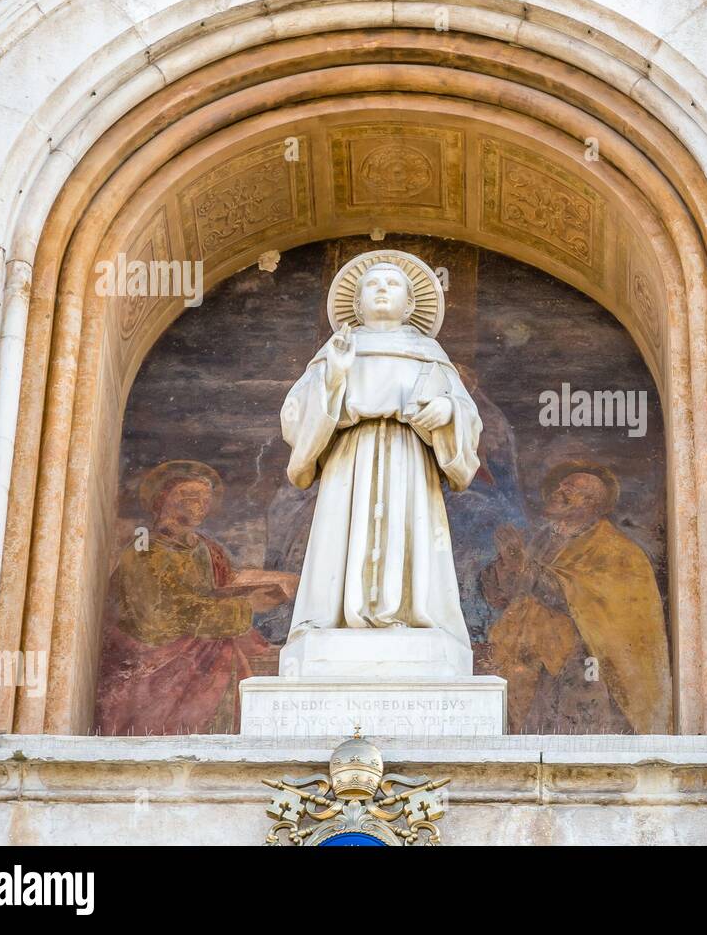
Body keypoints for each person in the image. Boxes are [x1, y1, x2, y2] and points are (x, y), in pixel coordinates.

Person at [281, 257, 482, 665]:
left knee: (408, 531)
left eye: (393, 284)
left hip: (409, 459)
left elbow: (467, 414)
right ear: (357, 302)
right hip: (349, 459)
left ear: (410, 304)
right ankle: (332, 618)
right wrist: (335, 377)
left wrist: (446, 413)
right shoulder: (337, 350)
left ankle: (409, 615)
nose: (383, 289)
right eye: (373, 284)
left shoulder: (429, 353)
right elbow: (295, 416)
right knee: (342, 530)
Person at [96, 460, 297, 734]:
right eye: (190, 497)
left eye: (205, 499)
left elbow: (230, 578)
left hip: (206, 659)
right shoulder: (144, 551)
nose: (200, 505)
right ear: (163, 500)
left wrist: (283, 580)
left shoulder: (207, 548)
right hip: (157, 666)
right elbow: (160, 617)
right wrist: (245, 607)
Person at [479, 462, 672, 733]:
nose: (558, 492)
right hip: (530, 662)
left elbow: (575, 596)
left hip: (582, 670)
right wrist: (504, 566)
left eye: (568, 489)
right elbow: (505, 598)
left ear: (591, 504)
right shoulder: (544, 540)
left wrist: (522, 565)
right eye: (559, 486)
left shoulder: (617, 551)